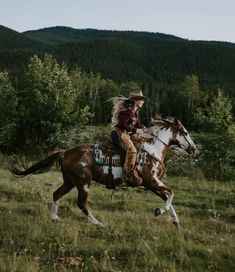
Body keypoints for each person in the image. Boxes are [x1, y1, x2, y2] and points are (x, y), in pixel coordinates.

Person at [110, 90, 147, 186]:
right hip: (118, 133)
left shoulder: (135, 113)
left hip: (125, 134)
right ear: (136, 101)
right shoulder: (129, 112)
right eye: (141, 100)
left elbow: (138, 125)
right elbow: (122, 124)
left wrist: (145, 130)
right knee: (132, 150)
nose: (143, 102)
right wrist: (135, 130)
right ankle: (127, 175)